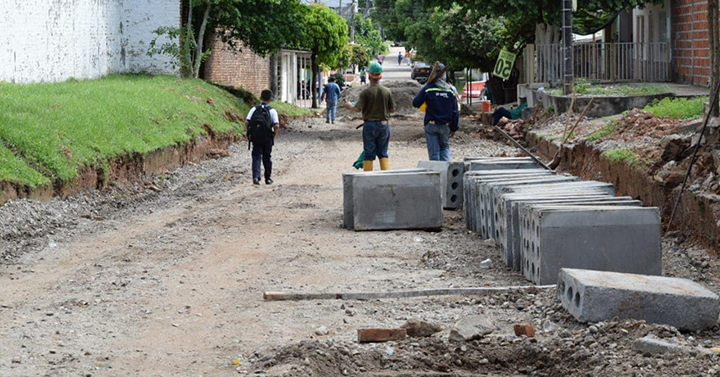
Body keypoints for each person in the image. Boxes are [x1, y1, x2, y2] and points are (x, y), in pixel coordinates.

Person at [343, 62, 396, 171]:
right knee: (383, 152)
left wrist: (349, 106)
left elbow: (357, 109)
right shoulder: (387, 91)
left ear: (369, 75)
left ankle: (367, 178)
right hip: (383, 124)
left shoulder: (365, 92)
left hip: (369, 125)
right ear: (380, 75)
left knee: (369, 152)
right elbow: (392, 109)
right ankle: (385, 176)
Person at [412, 62, 459, 161]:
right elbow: (455, 111)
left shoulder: (428, 89)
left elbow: (415, 103)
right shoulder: (450, 91)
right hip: (446, 126)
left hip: (431, 125)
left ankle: (436, 174)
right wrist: (454, 127)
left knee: (434, 153)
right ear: (444, 76)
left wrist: (425, 91)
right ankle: (446, 174)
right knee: (445, 148)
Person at [244, 89, 280, 185]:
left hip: (256, 137)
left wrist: (249, 132)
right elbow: (276, 125)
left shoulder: (254, 109)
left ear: (260, 98)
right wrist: (274, 135)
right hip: (267, 137)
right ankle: (267, 178)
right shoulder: (272, 111)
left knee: (256, 156)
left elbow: (247, 121)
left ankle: (256, 177)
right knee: (267, 157)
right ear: (271, 99)